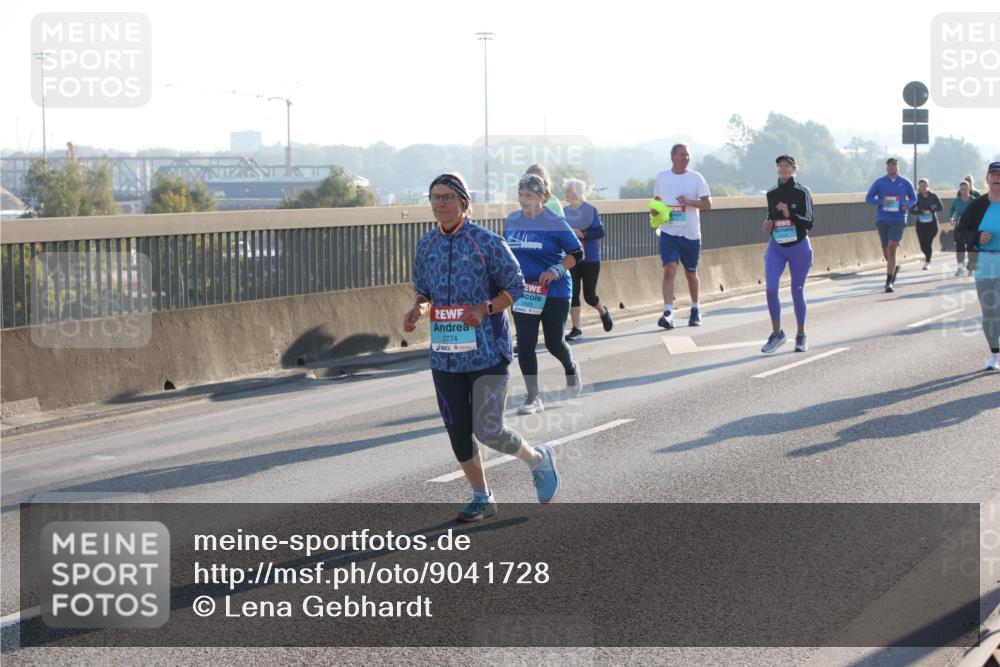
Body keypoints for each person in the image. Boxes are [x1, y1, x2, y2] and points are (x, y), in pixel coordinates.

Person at [405, 173, 561, 521]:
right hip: (445, 356)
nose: (440, 203)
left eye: (447, 197)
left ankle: (537, 459)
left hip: (487, 352)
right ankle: (482, 496)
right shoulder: (426, 244)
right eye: (434, 197)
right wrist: (418, 308)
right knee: (457, 430)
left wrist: (484, 309)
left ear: (464, 202)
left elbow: (516, 287)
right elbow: (424, 290)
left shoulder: (486, 241)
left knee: (488, 429)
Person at [505, 173, 584, 414]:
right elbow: (507, 253)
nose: (523, 199)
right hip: (525, 292)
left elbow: (577, 252)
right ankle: (533, 397)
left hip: (555, 291)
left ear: (542, 197)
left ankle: (570, 367)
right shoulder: (512, 220)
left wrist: (556, 269)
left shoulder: (555, 222)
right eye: (521, 194)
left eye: (529, 195)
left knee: (554, 343)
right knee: (525, 344)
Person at [653, 143, 713, 328]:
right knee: (669, 269)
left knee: (690, 273)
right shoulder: (661, 177)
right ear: (673, 157)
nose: (686, 158)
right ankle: (668, 312)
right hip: (669, 232)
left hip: (690, 233)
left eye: (687, 155)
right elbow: (657, 202)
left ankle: (695, 308)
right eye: (682, 154)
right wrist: (656, 211)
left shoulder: (696, 178)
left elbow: (708, 204)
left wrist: (688, 201)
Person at [760, 155, 815, 354]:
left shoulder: (803, 192)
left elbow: (809, 222)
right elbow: (771, 216)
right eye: (780, 166)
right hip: (777, 246)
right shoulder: (771, 193)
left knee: (796, 291)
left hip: (799, 246)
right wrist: (768, 224)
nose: (783, 169)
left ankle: (801, 335)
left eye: (787, 166)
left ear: (794, 169)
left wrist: (789, 213)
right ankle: (777, 334)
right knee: (770, 289)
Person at [956, 162, 1000, 371]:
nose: (996, 177)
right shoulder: (978, 205)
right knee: (990, 312)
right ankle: (995, 353)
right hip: (984, 263)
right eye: (993, 174)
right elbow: (960, 232)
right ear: (987, 178)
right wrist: (977, 237)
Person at [562, 178, 613, 340]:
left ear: (577, 192)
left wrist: (583, 234)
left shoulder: (590, 210)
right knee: (573, 293)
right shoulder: (564, 211)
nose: (566, 193)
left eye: (569, 190)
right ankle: (577, 329)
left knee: (590, 296)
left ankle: (603, 311)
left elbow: (600, 232)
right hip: (572, 258)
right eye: (566, 190)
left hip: (590, 258)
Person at [865, 157, 917, 293]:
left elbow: (914, 198)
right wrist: (882, 202)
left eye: (893, 165)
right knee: (885, 250)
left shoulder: (905, 182)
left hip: (898, 218)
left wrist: (907, 205)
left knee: (892, 246)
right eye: (889, 165)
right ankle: (893, 268)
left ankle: (888, 283)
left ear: (898, 167)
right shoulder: (880, 182)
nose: (891, 167)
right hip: (883, 218)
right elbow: (868, 198)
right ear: (886, 167)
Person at [909, 178, 943, 270]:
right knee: (922, 245)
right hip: (921, 224)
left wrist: (931, 210)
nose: (922, 187)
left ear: (927, 186)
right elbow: (911, 210)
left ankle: (928, 261)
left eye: (924, 185)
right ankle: (927, 255)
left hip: (932, 224)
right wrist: (921, 211)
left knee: (928, 242)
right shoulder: (917, 197)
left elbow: (940, 207)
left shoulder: (933, 196)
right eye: (921, 186)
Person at [950, 181, 977, 276]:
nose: (963, 191)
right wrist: (951, 218)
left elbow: (978, 212)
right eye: (961, 189)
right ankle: (960, 268)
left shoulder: (973, 200)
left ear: (969, 189)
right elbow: (952, 210)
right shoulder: (956, 200)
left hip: (971, 227)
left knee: (971, 248)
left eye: (965, 189)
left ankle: (971, 269)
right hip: (959, 227)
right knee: (960, 248)